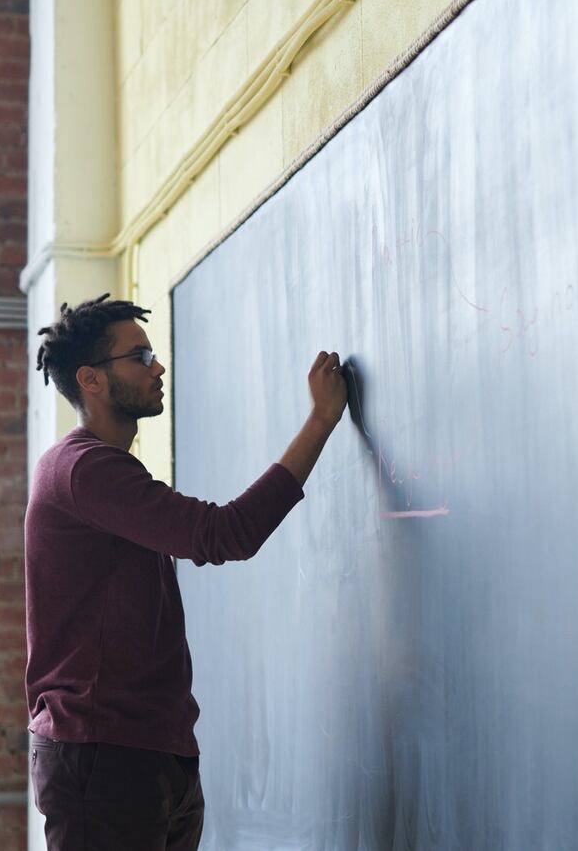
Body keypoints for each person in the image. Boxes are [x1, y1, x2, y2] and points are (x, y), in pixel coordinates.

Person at [23, 294, 347, 850]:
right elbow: (225, 535)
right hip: (104, 752)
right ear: (91, 380)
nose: (159, 367)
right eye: (140, 357)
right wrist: (320, 420)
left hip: (149, 748)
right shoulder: (83, 470)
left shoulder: (104, 470)